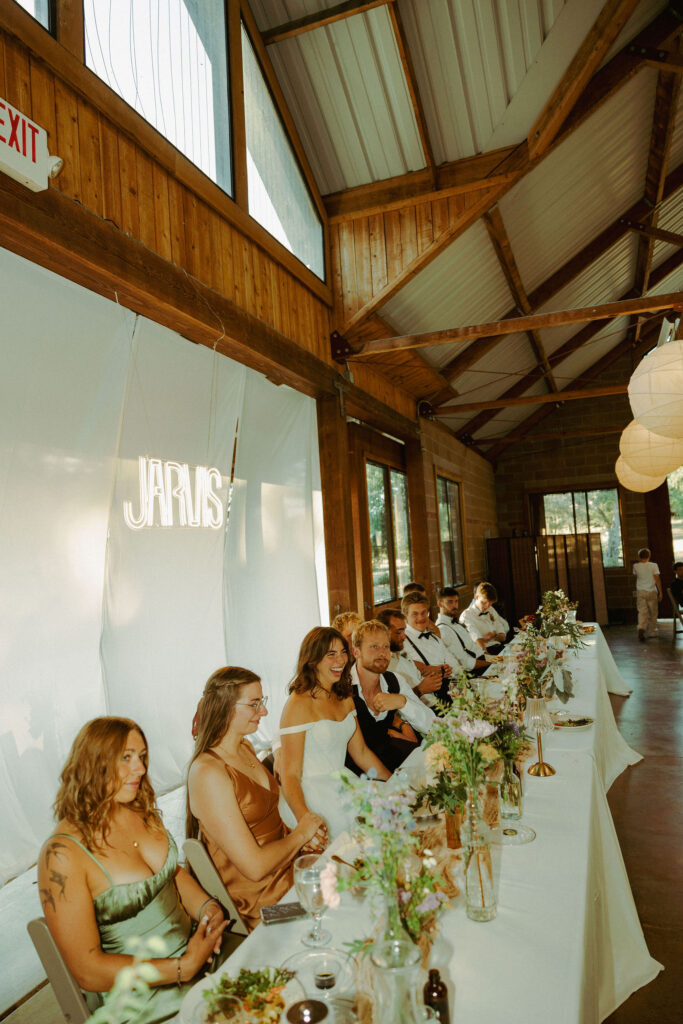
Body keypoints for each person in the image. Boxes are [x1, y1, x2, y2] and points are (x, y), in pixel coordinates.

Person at [38, 718, 230, 1023]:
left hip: (204, 966)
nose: (140, 768)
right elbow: (88, 971)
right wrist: (183, 967)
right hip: (146, 1005)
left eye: (141, 757)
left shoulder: (138, 809)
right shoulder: (62, 854)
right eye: (126, 757)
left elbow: (171, 876)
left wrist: (208, 909)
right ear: (92, 762)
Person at [186, 668, 326, 932]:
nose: (264, 712)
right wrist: (302, 834)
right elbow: (255, 867)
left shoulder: (245, 748)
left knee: (357, 879)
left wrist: (303, 844)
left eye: (263, 702)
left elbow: (270, 828)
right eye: (254, 704)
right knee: (339, 909)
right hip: (262, 902)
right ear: (224, 707)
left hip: (285, 873)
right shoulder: (208, 773)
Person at [278, 627, 391, 838]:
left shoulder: (344, 696)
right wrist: (305, 820)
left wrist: (391, 783)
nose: (340, 660)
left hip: (343, 784)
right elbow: (290, 774)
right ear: (312, 660)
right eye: (331, 654)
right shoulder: (298, 704)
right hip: (311, 795)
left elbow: (361, 753)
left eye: (343, 652)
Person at [347, 620, 436, 772]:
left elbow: (432, 726)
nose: (382, 653)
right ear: (356, 652)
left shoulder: (394, 680)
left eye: (386, 646)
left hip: (390, 756)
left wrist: (403, 702)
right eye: (374, 646)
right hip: (355, 769)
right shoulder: (343, 687)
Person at [402, 592, 462, 704]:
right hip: (427, 703)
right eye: (415, 614)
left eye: (423, 613)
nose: (420, 618)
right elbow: (412, 677)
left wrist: (449, 671)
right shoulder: (403, 642)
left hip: (451, 694)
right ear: (405, 616)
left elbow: (457, 667)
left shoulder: (435, 638)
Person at [375, 607, 445, 701]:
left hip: (434, 703)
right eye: (398, 632)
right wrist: (420, 690)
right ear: (383, 632)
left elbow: (417, 677)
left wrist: (434, 675)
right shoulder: (381, 665)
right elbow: (393, 704)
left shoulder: (400, 653)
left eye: (404, 630)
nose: (404, 637)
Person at [435, 586, 489, 675]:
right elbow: (466, 663)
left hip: (482, 659)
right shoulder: (442, 629)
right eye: (450, 602)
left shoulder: (455, 623)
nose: (454, 605)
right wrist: (492, 663)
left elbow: (474, 648)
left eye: (456, 601)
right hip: (473, 672)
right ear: (440, 604)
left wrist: (495, 658)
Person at [460, 582, 509, 654]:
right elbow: (478, 642)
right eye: (484, 602)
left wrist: (494, 635)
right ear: (476, 597)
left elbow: (502, 637)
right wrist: (489, 659)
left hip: (498, 648)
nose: (487, 607)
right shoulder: (467, 615)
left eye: (490, 604)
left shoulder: (491, 610)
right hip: (483, 652)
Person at [633, 548, 662, 641]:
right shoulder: (653, 565)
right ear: (649, 556)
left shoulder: (636, 566)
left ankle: (641, 627)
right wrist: (660, 592)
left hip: (641, 591)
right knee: (653, 612)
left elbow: (636, 576)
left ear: (639, 556)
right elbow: (657, 579)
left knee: (642, 611)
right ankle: (652, 631)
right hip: (651, 590)